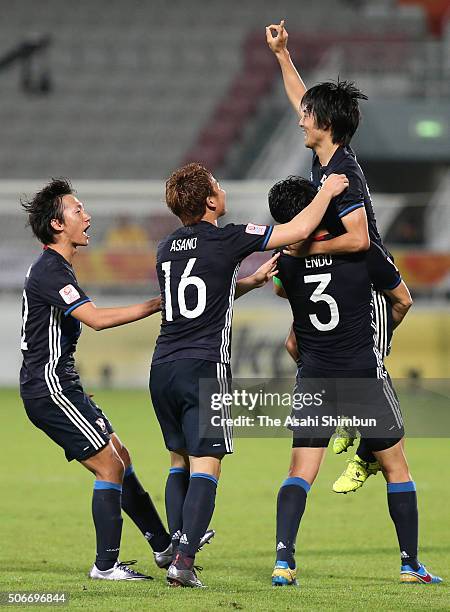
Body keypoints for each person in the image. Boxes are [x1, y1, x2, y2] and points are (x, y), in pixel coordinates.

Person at [149, 162, 349, 587]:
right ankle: (184, 562)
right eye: (218, 186)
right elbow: (295, 232)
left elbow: (197, 291)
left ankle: (177, 550)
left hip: (162, 367)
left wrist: (251, 281)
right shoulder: (228, 236)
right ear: (210, 201)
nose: (223, 190)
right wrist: (327, 192)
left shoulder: (166, 248)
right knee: (207, 464)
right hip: (203, 367)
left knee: (178, 461)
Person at [20, 178, 199, 581]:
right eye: (77, 210)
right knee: (109, 467)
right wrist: (157, 303)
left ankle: (162, 546)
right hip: (48, 388)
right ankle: (105, 566)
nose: (87, 216)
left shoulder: (57, 267)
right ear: (56, 225)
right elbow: (97, 320)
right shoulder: (50, 270)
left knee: (121, 455)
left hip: (60, 383)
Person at [268, 176, 442, 586]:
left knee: (299, 472)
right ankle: (409, 564)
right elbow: (403, 300)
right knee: (396, 468)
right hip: (362, 373)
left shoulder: (287, 263)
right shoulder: (362, 250)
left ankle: (282, 561)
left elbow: (281, 294)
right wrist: (383, 337)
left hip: (313, 377)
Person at [266, 20, 402, 491]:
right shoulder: (323, 156)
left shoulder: (344, 170)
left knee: (372, 355)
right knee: (295, 346)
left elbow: (360, 240)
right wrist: (283, 55)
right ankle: (352, 417)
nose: (300, 119)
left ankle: (369, 447)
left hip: (369, 275)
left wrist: (303, 248)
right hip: (342, 273)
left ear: (324, 124)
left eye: (308, 116)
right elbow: (300, 99)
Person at [269, 175, 413, 493]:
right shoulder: (296, 243)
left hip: (363, 300)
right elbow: (281, 288)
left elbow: (400, 299)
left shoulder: (342, 208)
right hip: (331, 306)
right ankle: (349, 417)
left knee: (364, 373)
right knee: (293, 344)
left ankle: (365, 455)